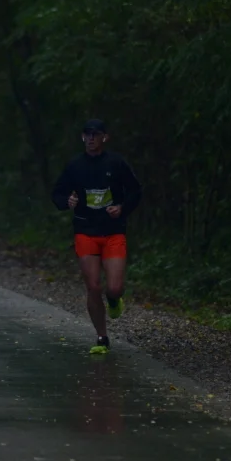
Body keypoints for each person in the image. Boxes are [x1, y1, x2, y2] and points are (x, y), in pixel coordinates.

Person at [50, 119, 142, 354]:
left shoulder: (116, 163)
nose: (91, 138)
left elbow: (135, 190)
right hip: (85, 230)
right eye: (87, 134)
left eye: (96, 134)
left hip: (113, 231)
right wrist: (66, 201)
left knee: (113, 288)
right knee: (93, 286)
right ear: (82, 138)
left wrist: (122, 207)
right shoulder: (75, 166)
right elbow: (57, 193)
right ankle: (102, 338)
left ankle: (114, 301)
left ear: (105, 137)